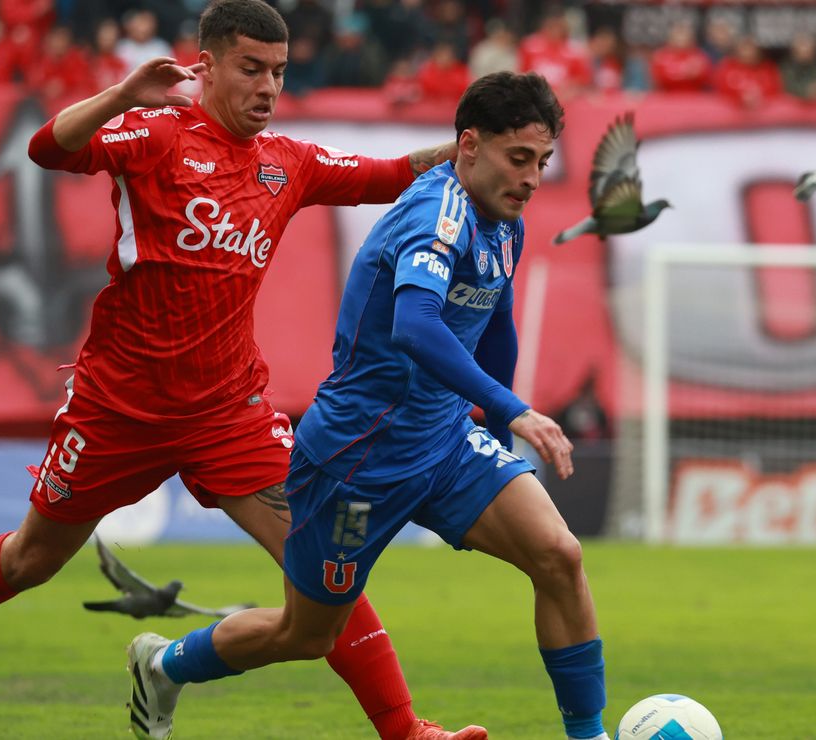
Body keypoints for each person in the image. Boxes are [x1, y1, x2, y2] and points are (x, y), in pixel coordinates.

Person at [0, 3, 469, 739]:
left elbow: (392, 174)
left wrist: (470, 150)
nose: (268, 87)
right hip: (119, 409)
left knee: (320, 563)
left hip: (228, 414)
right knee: (31, 560)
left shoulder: (288, 162)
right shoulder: (156, 134)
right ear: (206, 66)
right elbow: (46, 148)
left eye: (279, 72)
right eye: (251, 69)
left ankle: (406, 731)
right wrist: (123, 94)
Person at [129, 71, 610, 740]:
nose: (531, 179)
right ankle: (165, 665)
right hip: (356, 460)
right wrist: (516, 407)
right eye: (518, 158)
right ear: (469, 145)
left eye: (542, 162)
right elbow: (416, 325)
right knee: (307, 635)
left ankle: (589, 735)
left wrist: (500, 431)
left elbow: (496, 323)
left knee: (559, 556)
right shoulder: (435, 215)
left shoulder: (504, 222)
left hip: (444, 443)